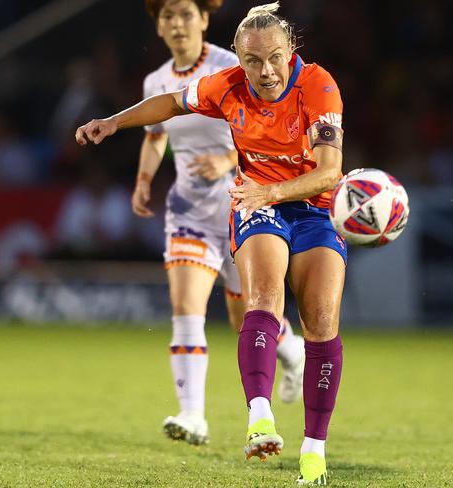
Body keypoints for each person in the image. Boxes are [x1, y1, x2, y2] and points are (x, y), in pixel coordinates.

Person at [76, 2, 345, 484]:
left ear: (292, 52)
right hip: (255, 203)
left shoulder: (318, 85)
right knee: (260, 298)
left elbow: (328, 172)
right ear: (238, 60)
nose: (265, 71)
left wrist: (273, 189)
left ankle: (314, 449)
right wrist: (114, 122)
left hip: (313, 207)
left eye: (275, 58)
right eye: (252, 62)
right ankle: (258, 417)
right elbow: (171, 103)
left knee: (321, 322)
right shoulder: (227, 85)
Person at [134, 0, 306, 447]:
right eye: (167, 17)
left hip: (244, 207)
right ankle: (193, 417)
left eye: (185, 14)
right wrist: (144, 180)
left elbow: (270, 125)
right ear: (158, 27)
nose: (177, 24)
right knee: (186, 309)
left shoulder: (233, 64)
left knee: (245, 317)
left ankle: (295, 352)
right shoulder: (157, 81)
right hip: (188, 211)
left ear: (205, 20)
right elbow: (156, 137)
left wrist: (228, 157)